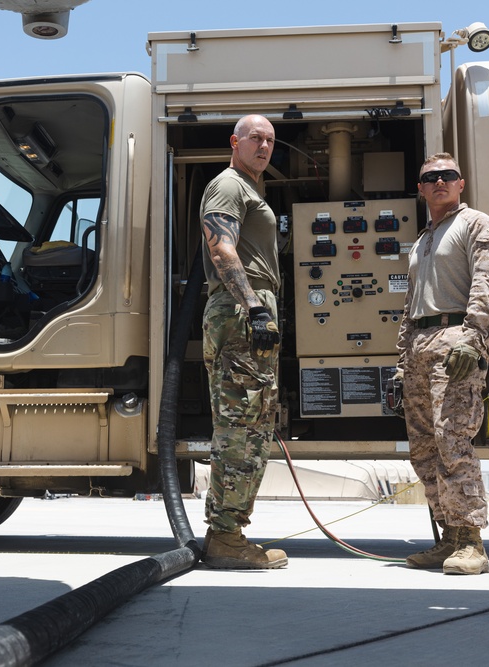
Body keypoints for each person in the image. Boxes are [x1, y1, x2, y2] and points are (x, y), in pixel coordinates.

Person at [395, 153, 489, 575]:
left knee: (453, 441)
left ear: (461, 183)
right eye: (430, 177)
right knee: (424, 449)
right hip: (420, 347)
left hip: (454, 343)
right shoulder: (424, 239)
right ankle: (447, 538)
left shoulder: (477, 225)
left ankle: (471, 542)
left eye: (448, 175)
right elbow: (410, 305)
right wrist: (401, 360)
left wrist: (475, 338)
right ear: (421, 188)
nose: (439, 181)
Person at [199, 114, 287, 569]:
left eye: (270, 140)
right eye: (255, 137)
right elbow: (221, 249)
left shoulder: (250, 188)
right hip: (240, 311)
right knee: (240, 429)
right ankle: (226, 537)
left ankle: (229, 532)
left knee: (253, 427)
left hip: (248, 311)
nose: (264, 146)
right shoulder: (229, 185)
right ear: (234, 141)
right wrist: (254, 306)